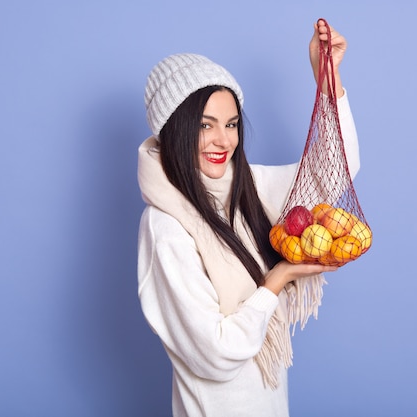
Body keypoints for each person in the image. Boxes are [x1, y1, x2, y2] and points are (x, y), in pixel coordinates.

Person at [137, 19, 360, 417]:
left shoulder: (245, 186)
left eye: (231, 124)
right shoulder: (166, 227)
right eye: (205, 125)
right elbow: (216, 355)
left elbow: (334, 173)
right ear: (175, 130)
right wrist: (278, 279)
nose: (223, 140)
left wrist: (328, 79)